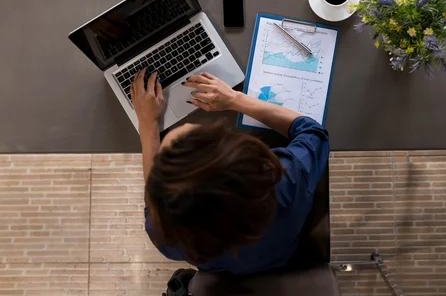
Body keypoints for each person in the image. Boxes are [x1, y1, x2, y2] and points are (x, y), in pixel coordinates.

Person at [130, 69, 329, 275]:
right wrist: (234, 99)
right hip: (283, 253)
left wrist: (147, 124)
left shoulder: (168, 234)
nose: (188, 124)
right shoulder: (285, 181)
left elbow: (154, 202)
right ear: (238, 155)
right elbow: (312, 132)